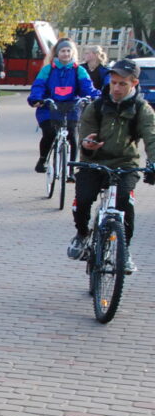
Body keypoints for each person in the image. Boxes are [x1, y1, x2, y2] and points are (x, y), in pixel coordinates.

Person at [67, 59, 155, 274]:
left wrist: (153, 163)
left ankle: (124, 252)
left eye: (122, 84)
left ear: (133, 83)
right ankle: (81, 234)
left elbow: (151, 138)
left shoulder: (142, 109)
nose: (116, 88)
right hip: (94, 162)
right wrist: (87, 145)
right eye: (113, 82)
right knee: (84, 198)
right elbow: (85, 136)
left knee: (125, 202)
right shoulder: (96, 106)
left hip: (125, 164)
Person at [27, 38, 101, 173]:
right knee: (49, 133)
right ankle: (43, 159)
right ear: (57, 53)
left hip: (71, 106)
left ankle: (71, 170)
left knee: (72, 135)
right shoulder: (48, 70)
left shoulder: (79, 70)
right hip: (50, 106)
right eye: (63, 51)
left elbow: (87, 87)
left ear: (73, 53)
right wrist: (37, 98)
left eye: (68, 51)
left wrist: (97, 97)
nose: (66, 54)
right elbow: (38, 86)